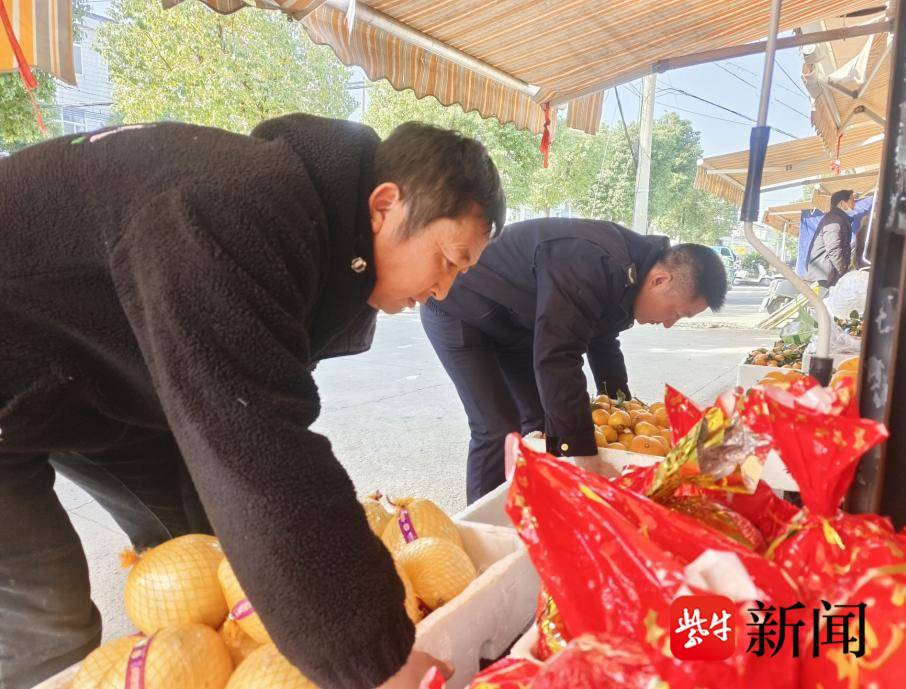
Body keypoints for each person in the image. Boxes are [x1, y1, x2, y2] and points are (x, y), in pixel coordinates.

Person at [0, 115, 504, 689]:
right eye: (449, 260)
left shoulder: (319, 240)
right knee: (50, 621)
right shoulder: (232, 210)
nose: (443, 290)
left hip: (89, 383)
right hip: (16, 370)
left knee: (206, 559)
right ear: (385, 205)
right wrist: (378, 653)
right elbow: (256, 444)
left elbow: (242, 448)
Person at [421, 218, 728, 503]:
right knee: (496, 426)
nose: (670, 324)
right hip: (458, 308)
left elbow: (602, 340)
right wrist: (581, 450)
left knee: (543, 420)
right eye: (677, 312)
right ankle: (480, 521)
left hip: (513, 324)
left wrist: (620, 407)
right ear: (660, 280)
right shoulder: (591, 260)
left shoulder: (630, 275)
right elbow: (558, 355)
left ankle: (535, 504)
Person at [804, 189, 856, 287]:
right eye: (852, 200)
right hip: (825, 275)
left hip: (827, 273)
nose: (854, 204)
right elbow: (833, 248)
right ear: (842, 203)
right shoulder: (834, 219)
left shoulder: (838, 218)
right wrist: (843, 272)